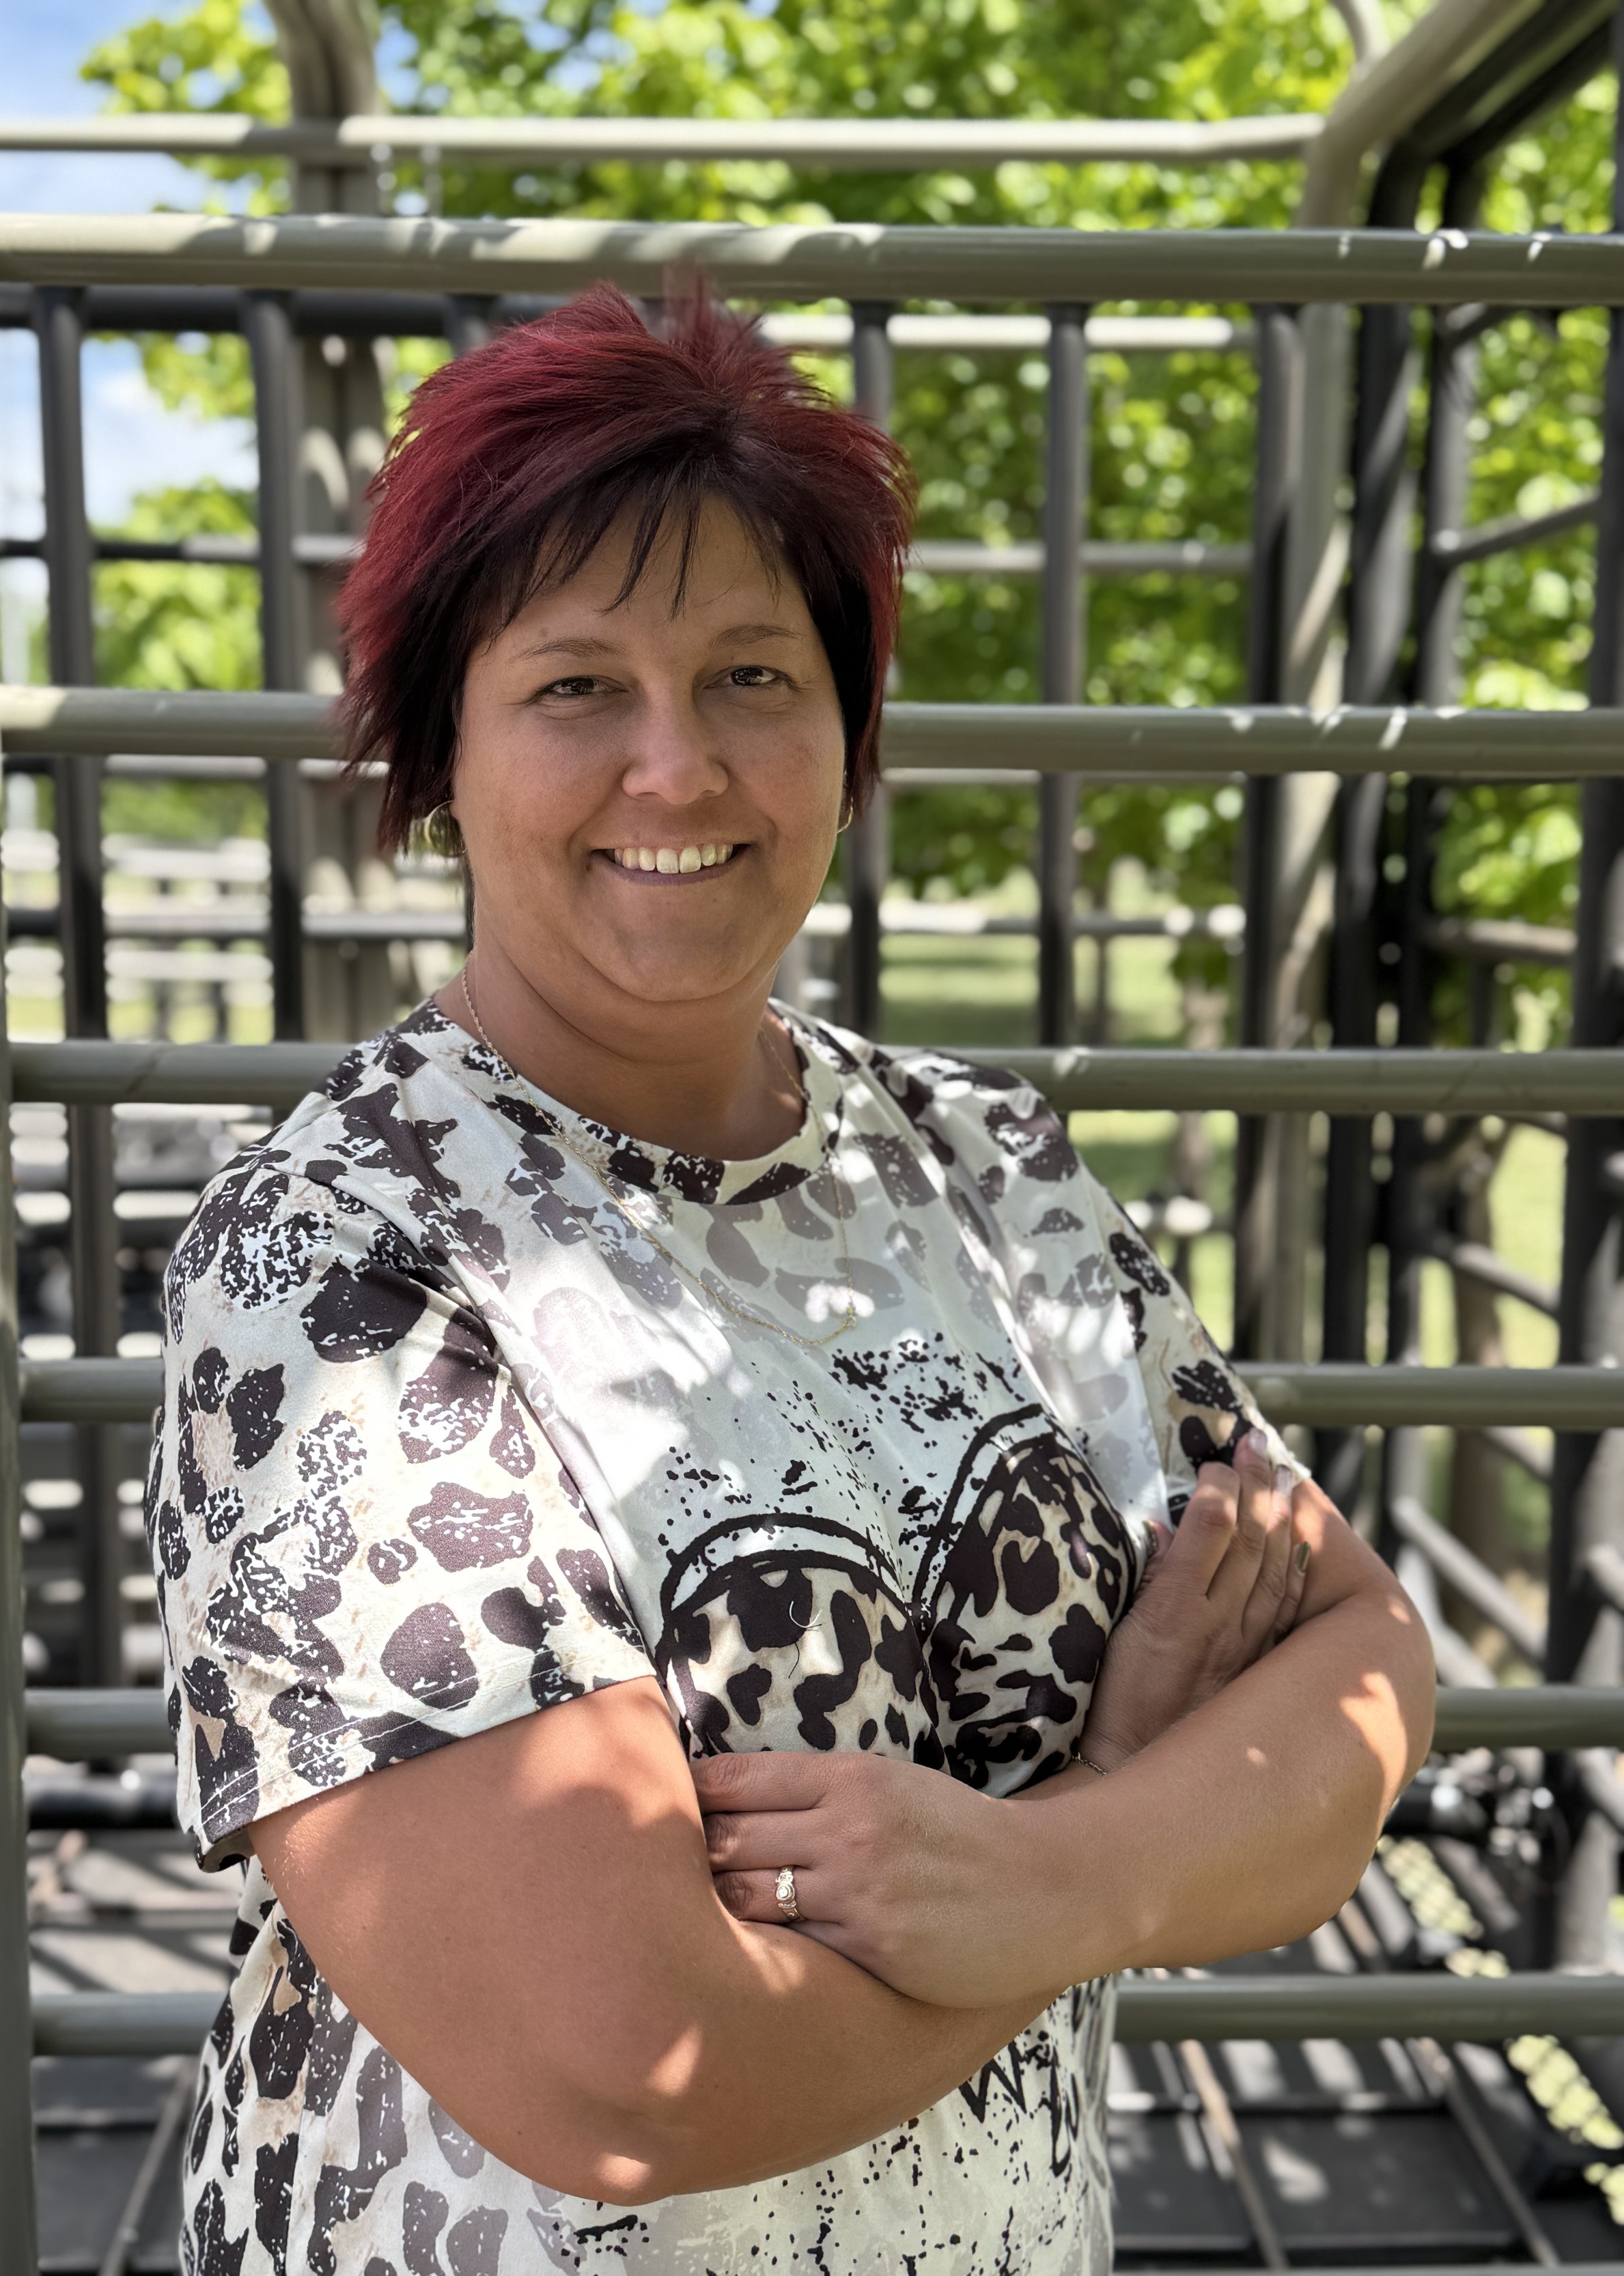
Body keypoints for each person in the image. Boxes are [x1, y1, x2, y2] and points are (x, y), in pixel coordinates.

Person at [148, 284, 1434, 2276]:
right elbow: (631, 2067)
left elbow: (1359, 1675)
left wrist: (1047, 1871)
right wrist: (1113, 1817)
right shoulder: (346, 1261)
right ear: (441, 754)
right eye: (575, 687)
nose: (677, 769)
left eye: (753, 674)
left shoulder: (986, 1165)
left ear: (844, 735)